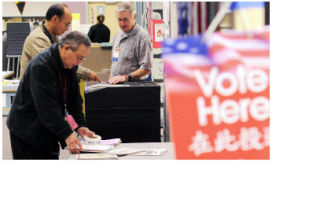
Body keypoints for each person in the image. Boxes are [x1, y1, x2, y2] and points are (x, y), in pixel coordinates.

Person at [7, 31, 95, 159]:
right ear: (66, 48)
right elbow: (46, 107)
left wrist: (80, 125)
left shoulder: (70, 66)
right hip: (26, 130)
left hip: (48, 126)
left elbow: (74, 100)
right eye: (79, 58)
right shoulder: (41, 66)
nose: (79, 63)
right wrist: (67, 134)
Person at [19, 3, 101, 82]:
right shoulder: (38, 38)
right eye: (66, 24)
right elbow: (54, 64)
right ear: (55, 19)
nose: (67, 29)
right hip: (34, 93)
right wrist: (86, 74)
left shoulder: (54, 38)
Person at [108, 2, 152, 84]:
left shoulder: (142, 37)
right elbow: (114, 61)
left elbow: (146, 68)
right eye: (119, 19)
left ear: (134, 17)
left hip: (131, 87)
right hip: (115, 85)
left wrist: (126, 77)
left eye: (125, 19)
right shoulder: (118, 34)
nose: (122, 23)